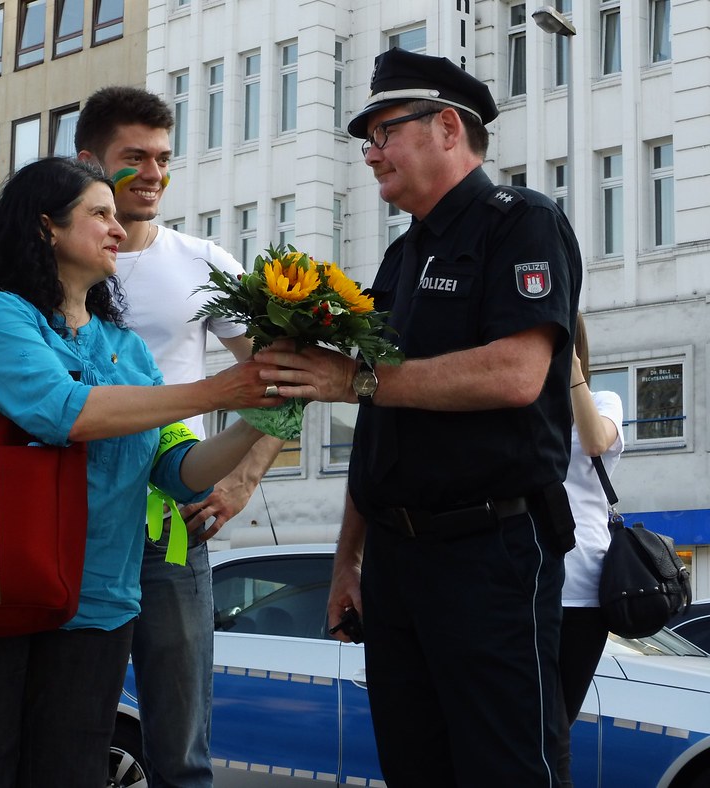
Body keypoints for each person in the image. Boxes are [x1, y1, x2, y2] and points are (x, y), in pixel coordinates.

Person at [254, 48, 583, 786]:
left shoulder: (522, 223)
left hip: (490, 549)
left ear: (444, 127)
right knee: (413, 767)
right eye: (365, 140)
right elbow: (378, 424)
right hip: (398, 563)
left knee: (506, 768)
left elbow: (516, 373)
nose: (370, 154)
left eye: (382, 132)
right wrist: (348, 559)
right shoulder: (400, 261)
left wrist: (354, 376)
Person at [0, 157, 282, 788]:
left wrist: (266, 412)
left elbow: (181, 470)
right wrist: (219, 389)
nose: (118, 228)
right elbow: (63, 412)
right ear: (46, 227)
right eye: (99, 214)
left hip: (101, 600)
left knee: (73, 773)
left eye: (116, 215)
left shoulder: (125, 344)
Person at [76, 85, 284, 787]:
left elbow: (285, 378)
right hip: (65, 524)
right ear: (89, 162)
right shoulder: (51, 271)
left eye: (163, 157)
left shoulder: (203, 262)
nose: (155, 173)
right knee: (66, 738)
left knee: (181, 753)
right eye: (134, 158)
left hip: (172, 524)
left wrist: (240, 482)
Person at [556, 314, 623, 784]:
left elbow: (596, 441)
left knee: (556, 725)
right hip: (525, 583)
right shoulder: (525, 409)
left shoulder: (604, 401)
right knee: (522, 721)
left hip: (582, 593)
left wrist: (571, 369)